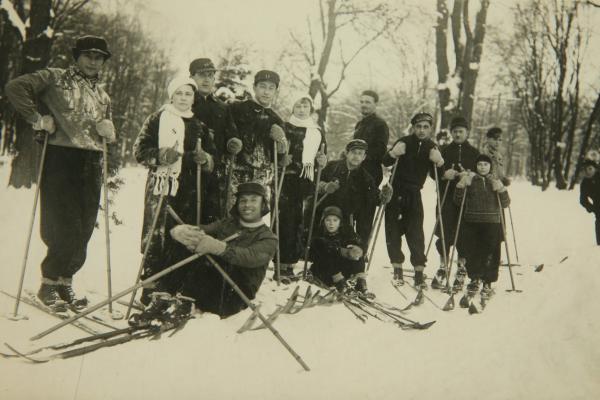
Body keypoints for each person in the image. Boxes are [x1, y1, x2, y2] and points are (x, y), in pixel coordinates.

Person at [5, 35, 116, 309]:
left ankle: (66, 282)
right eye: (88, 55)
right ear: (76, 56)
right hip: (61, 157)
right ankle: (48, 284)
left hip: (91, 160)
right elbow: (15, 87)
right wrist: (37, 119)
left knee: (85, 227)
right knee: (63, 224)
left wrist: (110, 132)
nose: (93, 61)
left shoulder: (103, 95)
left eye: (99, 57)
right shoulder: (55, 77)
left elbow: (105, 129)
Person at [133, 75, 215, 304]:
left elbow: (211, 156)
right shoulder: (157, 119)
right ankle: (149, 289)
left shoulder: (199, 125)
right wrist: (158, 155)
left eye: (188, 94)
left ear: (194, 97)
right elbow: (139, 150)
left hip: (188, 188)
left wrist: (205, 158)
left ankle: (171, 286)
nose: (183, 98)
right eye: (179, 93)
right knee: (157, 235)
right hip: (161, 186)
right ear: (171, 95)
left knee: (181, 234)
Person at [170, 182, 278, 317]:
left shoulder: (268, 238)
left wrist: (217, 247)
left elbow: (249, 257)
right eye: (243, 201)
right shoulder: (228, 223)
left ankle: (188, 304)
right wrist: (184, 232)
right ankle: (169, 298)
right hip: (213, 278)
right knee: (186, 248)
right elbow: (205, 229)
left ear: (263, 205)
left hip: (237, 289)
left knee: (212, 264)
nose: (247, 205)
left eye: (253, 200)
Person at [383, 112, 444, 289]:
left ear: (430, 129)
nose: (422, 130)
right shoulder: (404, 141)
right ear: (413, 127)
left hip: (414, 193)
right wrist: (393, 153)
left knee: (415, 232)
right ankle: (397, 269)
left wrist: (439, 163)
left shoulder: (431, 146)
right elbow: (385, 161)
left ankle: (418, 272)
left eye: (425, 127)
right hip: (395, 190)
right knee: (393, 231)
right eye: (418, 126)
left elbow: (437, 176)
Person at [277, 95, 327, 281]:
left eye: (305, 106)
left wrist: (323, 160)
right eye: (298, 105)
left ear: (310, 110)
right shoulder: (285, 126)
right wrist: (281, 158)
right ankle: (279, 262)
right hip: (285, 178)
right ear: (293, 107)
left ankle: (290, 263)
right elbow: (274, 149)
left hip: (304, 180)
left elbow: (323, 153)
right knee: (284, 220)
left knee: (299, 221)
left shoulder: (316, 131)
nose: (301, 109)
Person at [225, 69, 287, 212]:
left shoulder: (276, 119)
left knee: (257, 219)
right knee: (233, 217)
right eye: (262, 86)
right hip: (236, 173)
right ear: (254, 87)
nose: (266, 92)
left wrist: (281, 143)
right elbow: (227, 133)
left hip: (262, 178)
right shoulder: (237, 108)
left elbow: (279, 156)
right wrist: (232, 142)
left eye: (271, 88)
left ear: (276, 91)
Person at [431, 116, 479, 290]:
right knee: (444, 232)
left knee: (464, 234)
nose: (458, 134)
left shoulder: (474, 153)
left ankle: (461, 268)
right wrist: (444, 174)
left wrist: (470, 176)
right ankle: (443, 267)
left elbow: (480, 173)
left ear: (467, 132)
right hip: (446, 198)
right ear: (451, 133)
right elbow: (433, 173)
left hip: (466, 200)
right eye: (455, 131)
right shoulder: (443, 150)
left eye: (461, 131)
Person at [454, 154, 510, 298]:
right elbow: (458, 202)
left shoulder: (494, 181)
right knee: (473, 252)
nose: (482, 167)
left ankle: (488, 282)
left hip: (492, 222)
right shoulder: (470, 180)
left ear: (490, 166)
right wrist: (460, 186)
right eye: (479, 164)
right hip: (472, 221)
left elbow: (506, 203)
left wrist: (502, 189)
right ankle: (474, 279)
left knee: (491, 252)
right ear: (476, 166)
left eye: (485, 164)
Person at [317, 139, 387, 250]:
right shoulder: (332, 167)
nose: (356, 156)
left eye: (360, 154)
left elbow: (374, 196)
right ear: (347, 153)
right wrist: (325, 186)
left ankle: (359, 249)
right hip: (329, 213)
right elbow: (316, 183)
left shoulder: (366, 177)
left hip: (349, 216)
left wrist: (383, 196)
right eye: (354, 152)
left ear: (364, 157)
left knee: (367, 209)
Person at [189, 57, 236, 221]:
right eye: (202, 75)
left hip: (215, 173)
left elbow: (232, 134)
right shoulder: (184, 102)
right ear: (192, 78)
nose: (207, 79)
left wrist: (234, 143)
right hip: (189, 170)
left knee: (211, 219)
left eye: (210, 75)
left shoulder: (222, 107)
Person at [353, 90, 389, 248]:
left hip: (370, 175)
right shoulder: (360, 124)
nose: (364, 105)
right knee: (351, 213)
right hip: (355, 173)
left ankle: (361, 255)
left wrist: (361, 156)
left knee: (364, 218)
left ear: (375, 104)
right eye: (362, 101)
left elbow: (380, 151)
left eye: (367, 102)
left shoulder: (380, 124)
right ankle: (349, 253)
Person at [309, 206, 366, 294]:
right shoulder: (319, 234)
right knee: (329, 251)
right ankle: (340, 284)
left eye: (335, 220)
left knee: (357, 252)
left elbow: (358, 242)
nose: (331, 223)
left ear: (340, 223)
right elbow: (315, 253)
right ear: (323, 222)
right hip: (326, 272)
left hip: (342, 271)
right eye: (328, 220)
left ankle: (360, 281)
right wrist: (341, 251)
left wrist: (356, 249)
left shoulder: (345, 232)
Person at [579, 158, 600, 245]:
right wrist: (592, 208)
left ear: (595, 168)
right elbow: (583, 200)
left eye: (590, 169)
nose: (588, 171)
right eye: (586, 169)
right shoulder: (585, 183)